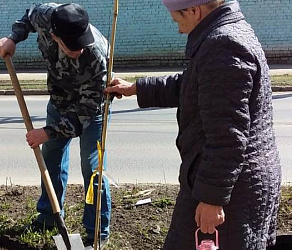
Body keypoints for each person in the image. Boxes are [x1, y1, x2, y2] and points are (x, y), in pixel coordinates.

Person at [105, 0, 281, 249]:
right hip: (233, 180)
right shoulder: (227, 32)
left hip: (231, 189)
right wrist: (136, 88)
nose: (179, 29)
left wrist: (212, 199)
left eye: (178, 20)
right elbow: (192, 85)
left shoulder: (223, 45)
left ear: (193, 10)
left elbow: (228, 135)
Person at [0, 3, 111, 246]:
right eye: (71, 46)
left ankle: (96, 231)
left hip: (91, 110)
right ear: (54, 35)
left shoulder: (97, 54)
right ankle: (49, 216)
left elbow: (85, 112)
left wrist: (48, 132)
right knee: (52, 158)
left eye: (80, 43)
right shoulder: (46, 15)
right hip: (59, 101)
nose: (78, 50)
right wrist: (13, 38)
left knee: (92, 169)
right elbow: (27, 17)